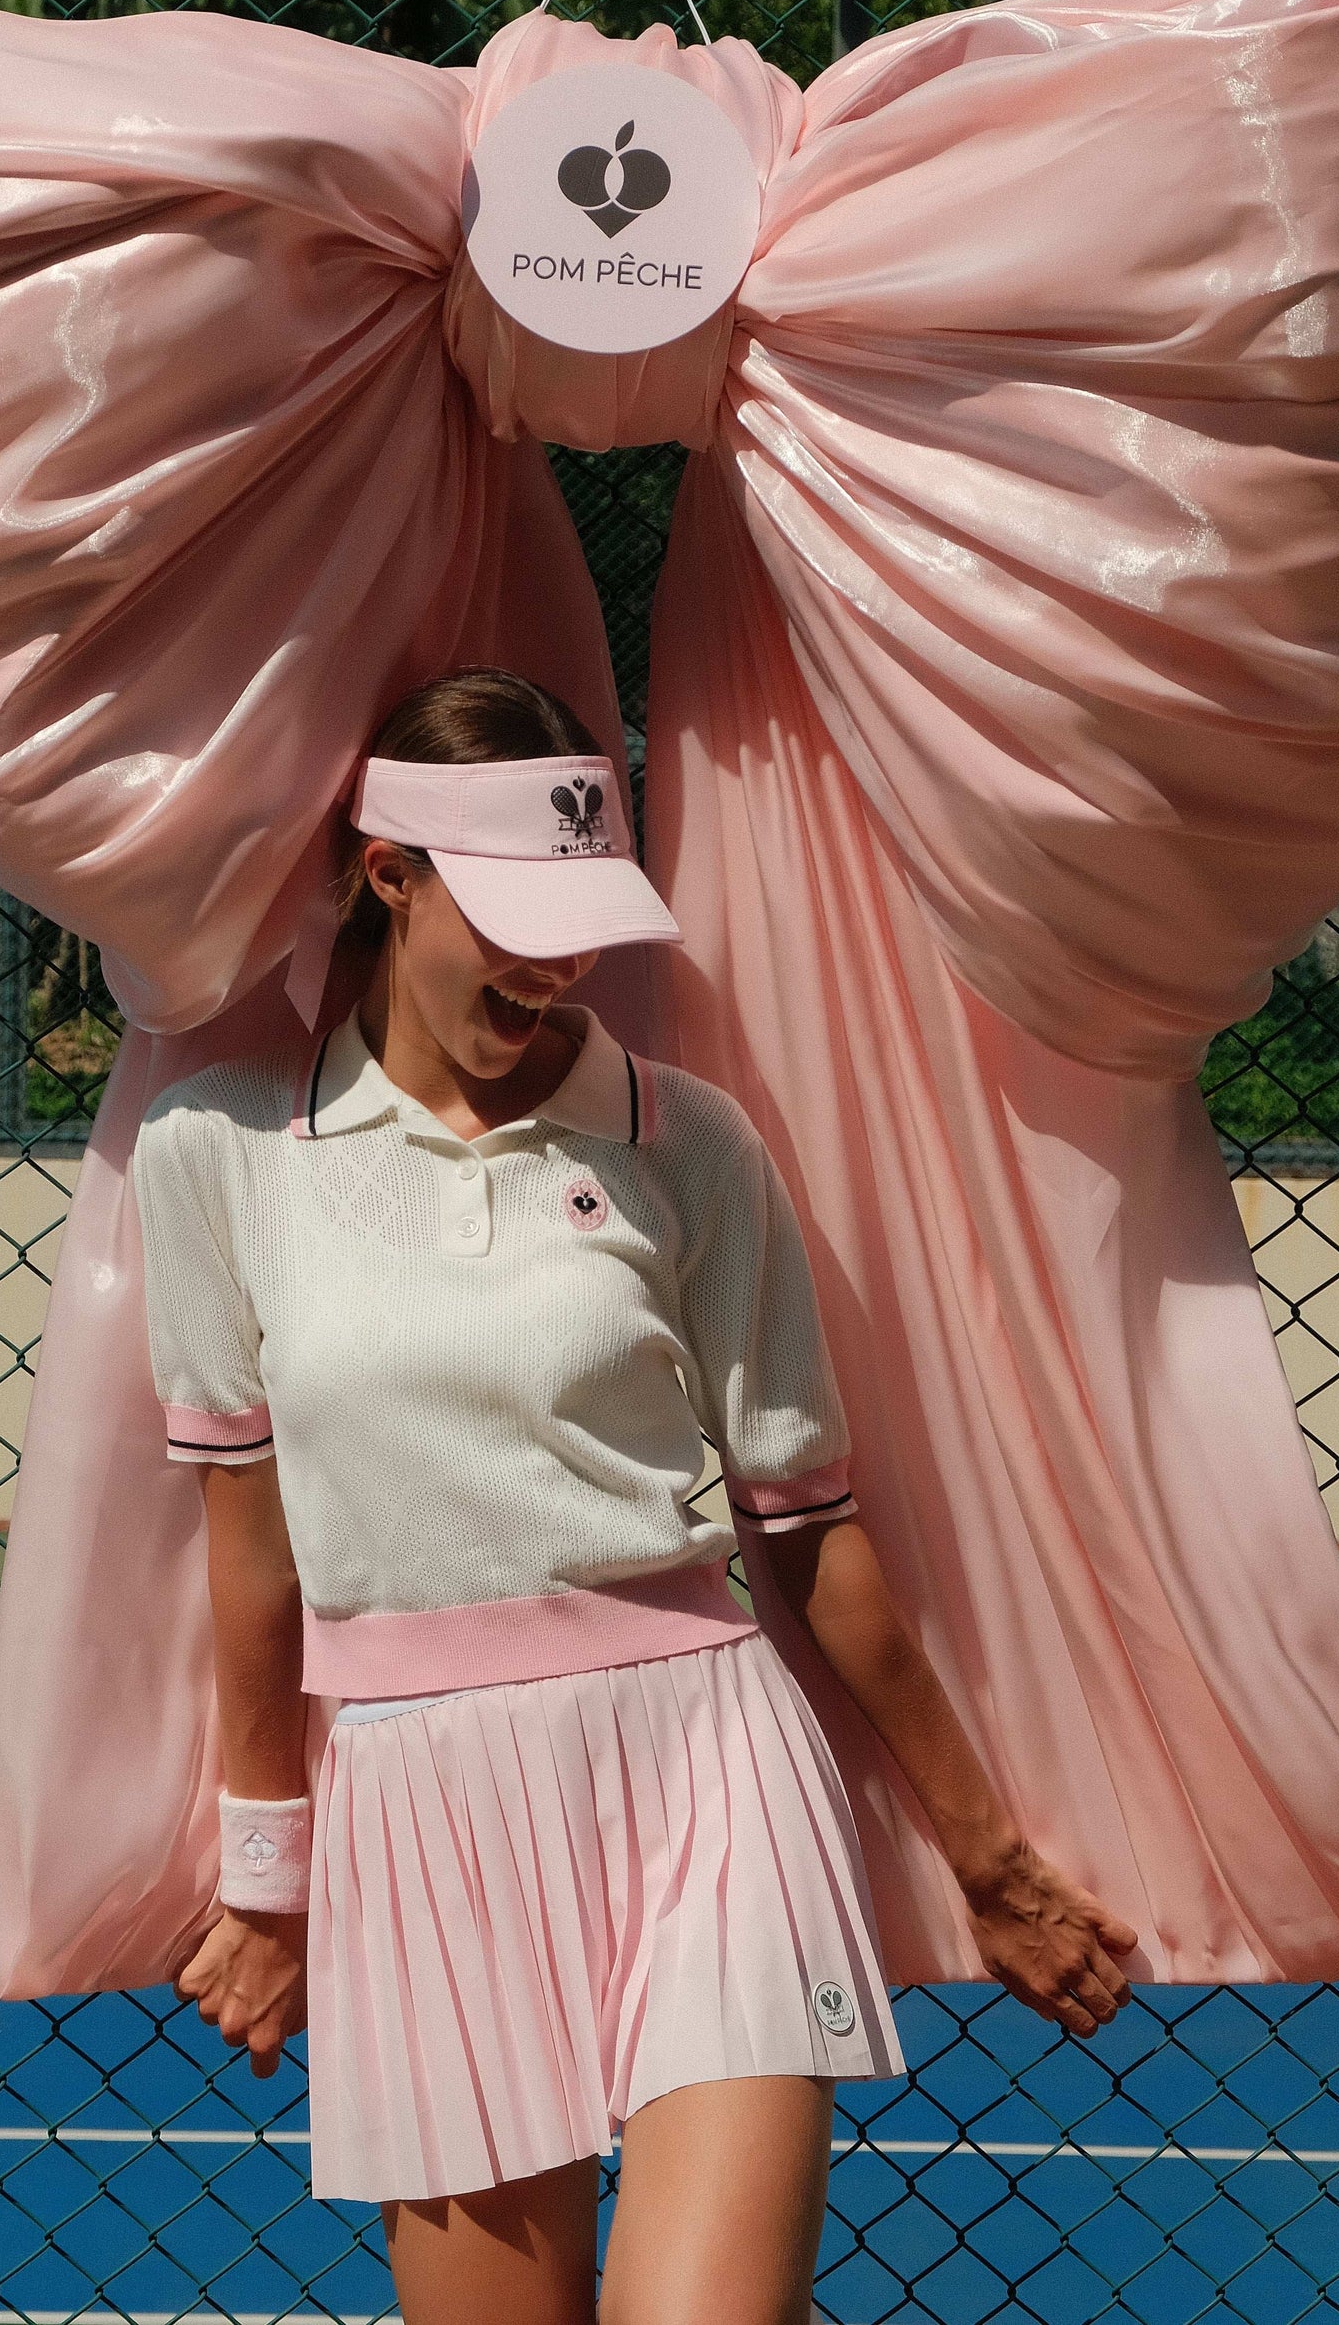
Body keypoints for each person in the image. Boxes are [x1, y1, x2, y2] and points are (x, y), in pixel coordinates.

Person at [133, 665, 1138, 2325]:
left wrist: (993, 1862)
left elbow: (811, 1533)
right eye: (517, 912)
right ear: (392, 876)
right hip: (417, 1813)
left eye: (585, 914)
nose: (562, 960)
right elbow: (251, 1562)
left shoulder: (692, 1142)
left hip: (706, 1773)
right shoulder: (219, 1156)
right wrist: (267, 1877)